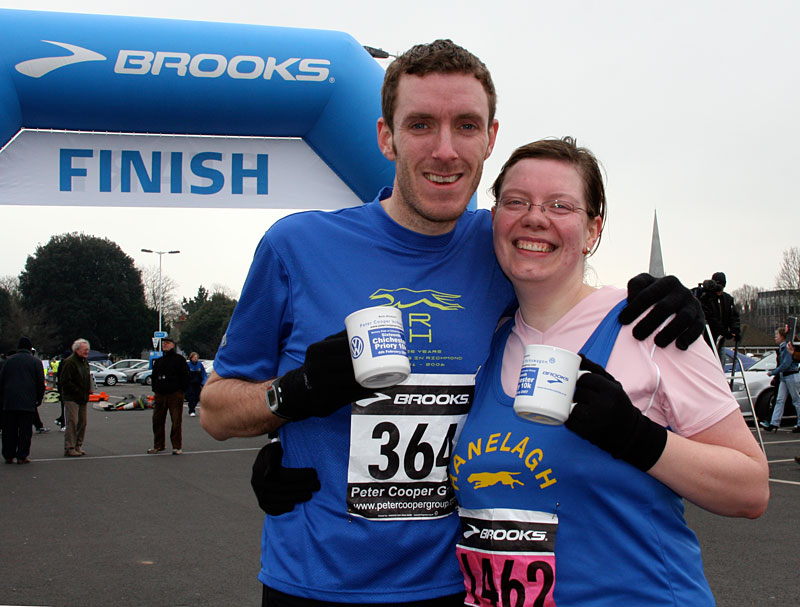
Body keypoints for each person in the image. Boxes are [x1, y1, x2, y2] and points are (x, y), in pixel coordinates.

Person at [199, 40, 705, 606]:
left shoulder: (506, 245)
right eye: (420, 125)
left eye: (465, 126)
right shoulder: (297, 246)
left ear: (490, 137)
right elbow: (215, 409)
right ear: (386, 136)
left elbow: (571, 279)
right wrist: (294, 394)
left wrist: (668, 297)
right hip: (316, 582)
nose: (445, 150)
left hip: (460, 587)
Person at [451, 137, 769, 606]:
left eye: (560, 205)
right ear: (494, 218)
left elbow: (751, 489)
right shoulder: (490, 340)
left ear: (593, 231)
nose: (535, 217)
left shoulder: (651, 326)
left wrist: (635, 437)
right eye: (516, 201)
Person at [0, 337, 45, 464]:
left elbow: (1, 381)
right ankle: (22, 455)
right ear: (30, 348)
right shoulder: (35, 362)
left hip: (9, 402)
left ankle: (8, 455)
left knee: (9, 430)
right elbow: (40, 383)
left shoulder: (8, 362)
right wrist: (38, 398)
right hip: (28, 401)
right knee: (25, 430)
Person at [148, 336, 189, 455]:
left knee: (176, 420)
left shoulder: (179, 359)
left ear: (172, 345)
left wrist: (181, 390)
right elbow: (154, 376)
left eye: (167, 343)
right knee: (157, 420)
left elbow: (185, 376)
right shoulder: (159, 361)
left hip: (175, 394)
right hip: (160, 394)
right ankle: (158, 445)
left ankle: (177, 446)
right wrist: (155, 389)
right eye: (163, 343)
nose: (165, 345)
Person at [759, 326, 800, 433]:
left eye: (777, 335)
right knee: (780, 400)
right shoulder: (784, 347)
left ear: (782, 337)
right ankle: (774, 422)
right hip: (785, 376)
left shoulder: (786, 347)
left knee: (796, 400)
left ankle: (798, 423)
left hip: (791, 375)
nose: (775, 337)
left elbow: (786, 364)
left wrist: (773, 372)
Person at [60, 338, 92, 457]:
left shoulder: (84, 362)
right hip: (72, 397)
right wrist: (78, 391)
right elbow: (65, 381)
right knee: (72, 422)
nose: (87, 352)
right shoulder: (69, 362)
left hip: (83, 397)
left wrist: (89, 388)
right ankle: (70, 447)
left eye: (88, 350)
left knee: (82, 422)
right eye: (85, 350)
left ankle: (78, 444)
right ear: (77, 350)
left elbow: (87, 377)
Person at [697, 271, 741, 357]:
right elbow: (710, 318)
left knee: (721, 358)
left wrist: (735, 330)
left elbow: (734, 316)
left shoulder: (728, 299)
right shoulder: (706, 298)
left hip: (720, 339)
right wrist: (724, 332)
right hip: (708, 336)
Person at [185, 352, 207, 417]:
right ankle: (191, 410)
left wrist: (204, 382)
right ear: (191, 358)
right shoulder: (188, 365)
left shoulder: (200, 365)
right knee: (191, 396)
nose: (196, 358)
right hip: (190, 383)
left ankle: (193, 406)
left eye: (197, 357)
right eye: (194, 357)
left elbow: (204, 374)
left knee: (197, 397)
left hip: (198, 383)